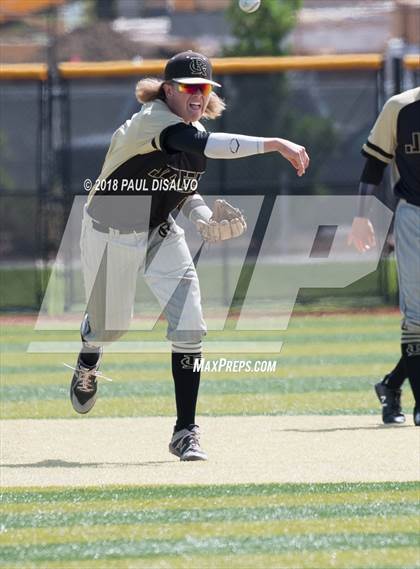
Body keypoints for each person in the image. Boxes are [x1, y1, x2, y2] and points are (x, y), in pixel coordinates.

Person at [68, 51, 310, 461]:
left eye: (204, 88)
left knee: (191, 326)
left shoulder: (192, 130)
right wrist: (274, 144)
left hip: (160, 229)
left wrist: (201, 216)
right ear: (168, 90)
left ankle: (185, 431)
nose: (198, 95)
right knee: (111, 328)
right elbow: (203, 145)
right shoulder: (153, 121)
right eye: (188, 87)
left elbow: (182, 185)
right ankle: (89, 352)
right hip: (112, 231)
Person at [348, 86, 420, 426]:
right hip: (414, 217)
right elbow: (375, 164)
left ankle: (391, 386)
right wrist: (361, 217)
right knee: (418, 316)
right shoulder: (401, 107)